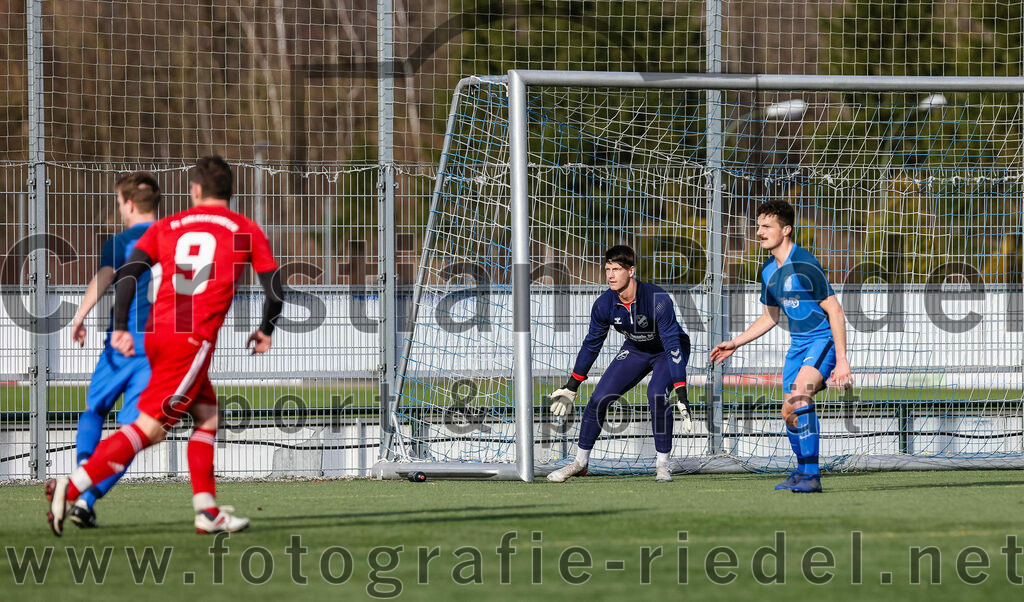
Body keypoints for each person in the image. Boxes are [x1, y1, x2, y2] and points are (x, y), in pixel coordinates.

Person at [46, 155, 284, 536]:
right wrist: (265, 329)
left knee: (206, 414)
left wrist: (120, 323)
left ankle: (206, 510)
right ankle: (70, 487)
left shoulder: (170, 225)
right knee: (150, 428)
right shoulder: (244, 229)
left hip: (158, 334)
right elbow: (274, 289)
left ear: (195, 190)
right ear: (231, 191)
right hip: (191, 339)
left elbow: (129, 272)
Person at [710, 200, 852, 493]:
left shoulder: (804, 263)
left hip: (821, 340)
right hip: (798, 346)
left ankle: (812, 476)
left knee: (801, 396)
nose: (759, 232)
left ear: (786, 230)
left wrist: (842, 361)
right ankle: (801, 472)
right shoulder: (767, 271)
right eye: (758, 226)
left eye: (766, 227)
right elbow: (770, 317)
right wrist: (735, 343)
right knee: (788, 412)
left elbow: (835, 311)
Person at [546, 245, 692, 483]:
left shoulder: (658, 299)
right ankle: (580, 463)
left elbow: (673, 345)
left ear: (631, 271)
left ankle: (663, 464)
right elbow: (592, 344)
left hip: (667, 351)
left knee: (656, 393)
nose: (610, 275)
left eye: (616, 269)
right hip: (635, 350)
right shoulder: (604, 304)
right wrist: (572, 385)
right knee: (598, 398)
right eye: (607, 269)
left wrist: (681, 392)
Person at [67, 172, 161, 528]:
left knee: (94, 410)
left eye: (119, 203)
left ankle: (79, 480)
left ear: (130, 204)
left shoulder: (121, 241)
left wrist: (80, 315)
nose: (119, 210)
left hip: (121, 343)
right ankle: (86, 500)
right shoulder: (174, 237)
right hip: (159, 350)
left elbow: (105, 276)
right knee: (131, 434)